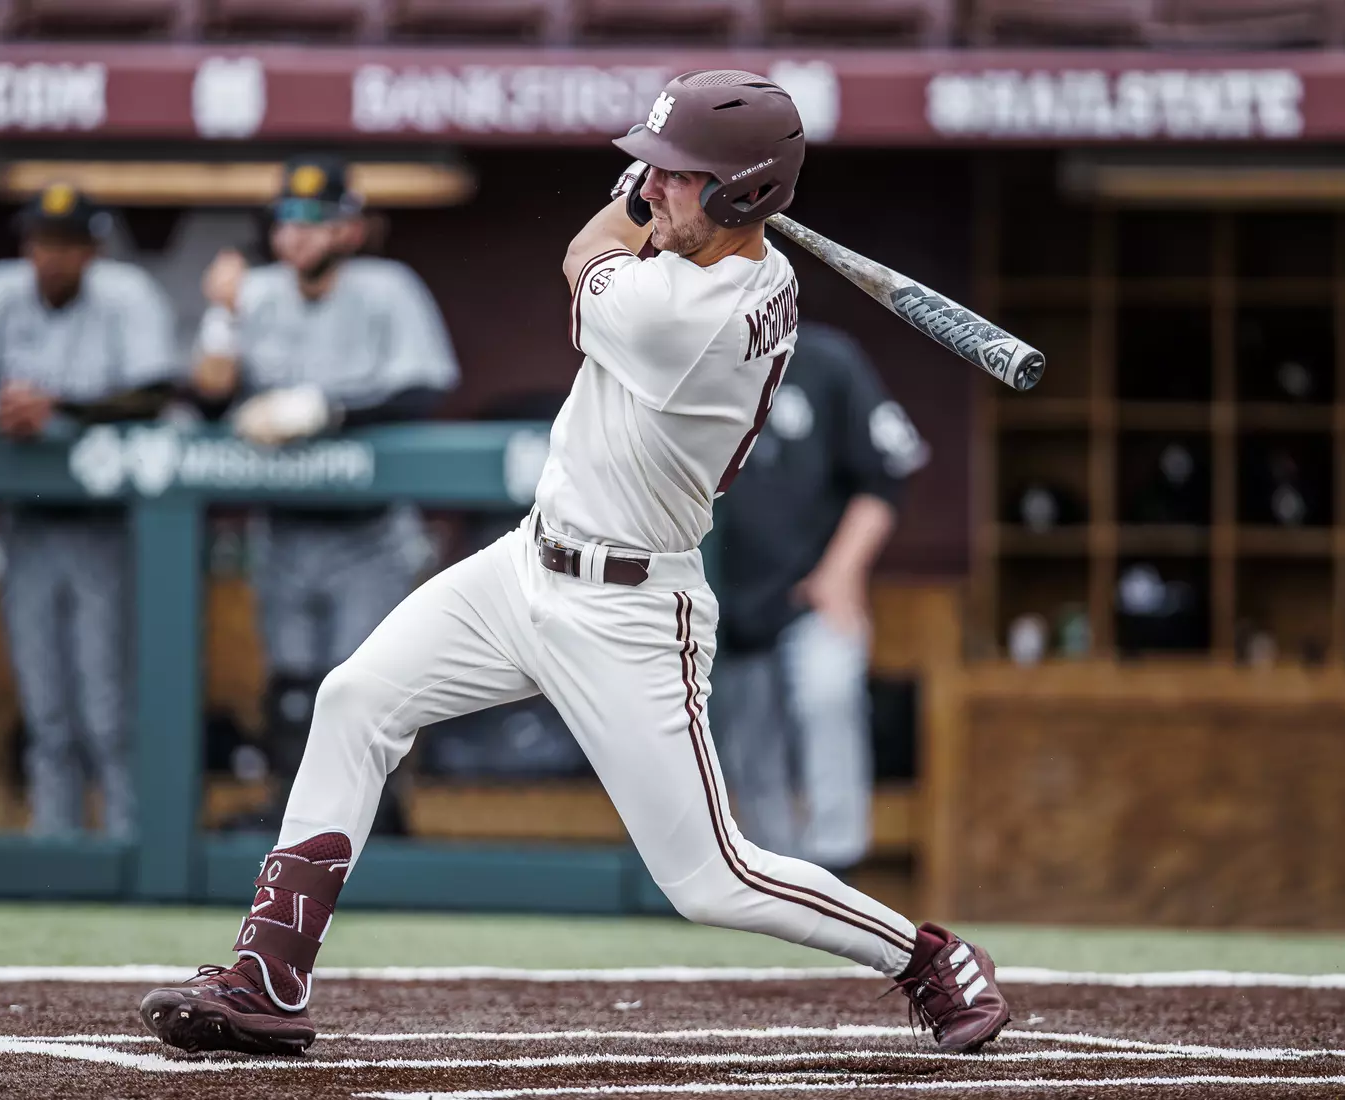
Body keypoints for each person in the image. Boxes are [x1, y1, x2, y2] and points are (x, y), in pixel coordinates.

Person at [138, 71, 1009, 1056]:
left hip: (633, 610)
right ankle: (271, 973)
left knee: (707, 877)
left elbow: (583, 253)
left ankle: (925, 955)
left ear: (744, 194)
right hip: (524, 565)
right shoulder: (721, 260)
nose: (655, 183)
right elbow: (637, 241)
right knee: (354, 699)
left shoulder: (703, 314)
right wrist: (662, 189)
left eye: (680, 174)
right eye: (658, 169)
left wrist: (630, 206)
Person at [192, 156, 458, 829]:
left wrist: (327, 410)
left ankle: (379, 824)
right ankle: (299, 825)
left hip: (368, 531)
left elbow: (424, 390)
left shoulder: (387, 287)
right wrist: (221, 317)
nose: (299, 235)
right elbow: (203, 398)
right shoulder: (255, 294)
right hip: (283, 525)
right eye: (287, 221)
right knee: (290, 687)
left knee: (370, 689)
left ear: (349, 229)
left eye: (316, 221)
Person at [0, 183, 177, 837]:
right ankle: (57, 850)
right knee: (46, 712)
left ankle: (132, 848)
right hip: (27, 521)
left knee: (107, 710)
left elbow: (156, 394)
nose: (54, 256)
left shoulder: (125, 294)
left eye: (69, 244)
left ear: (92, 249)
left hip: (106, 525)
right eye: (44, 241)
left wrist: (60, 409)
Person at [715, 322, 929, 871]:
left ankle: (838, 866)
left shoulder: (826, 360)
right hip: (720, 597)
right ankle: (773, 883)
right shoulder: (684, 360)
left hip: (812, 590)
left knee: (826, 693)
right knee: (747, 745)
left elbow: (886, 476)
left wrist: (841, 571)